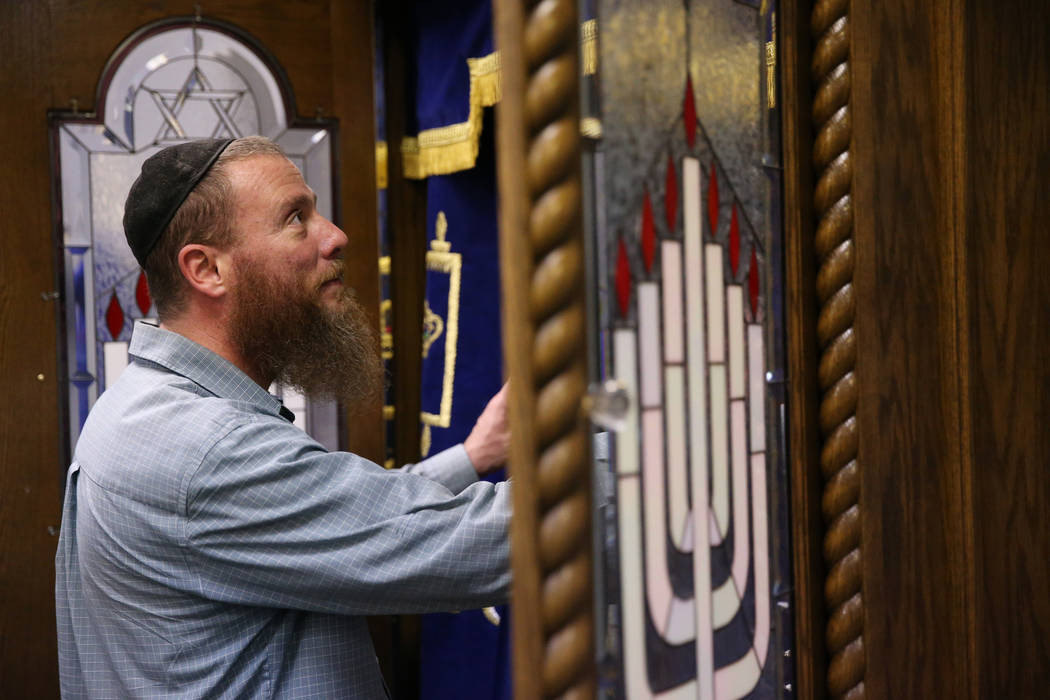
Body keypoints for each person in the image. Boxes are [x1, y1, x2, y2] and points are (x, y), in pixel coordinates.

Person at [55, 136, 512, 699]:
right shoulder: (205, 448)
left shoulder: (144, 408)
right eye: (296, 218)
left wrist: (475, 454)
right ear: (207, 269)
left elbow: (327, 521)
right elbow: (465, 544)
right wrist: (645, 468)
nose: (336, 235)